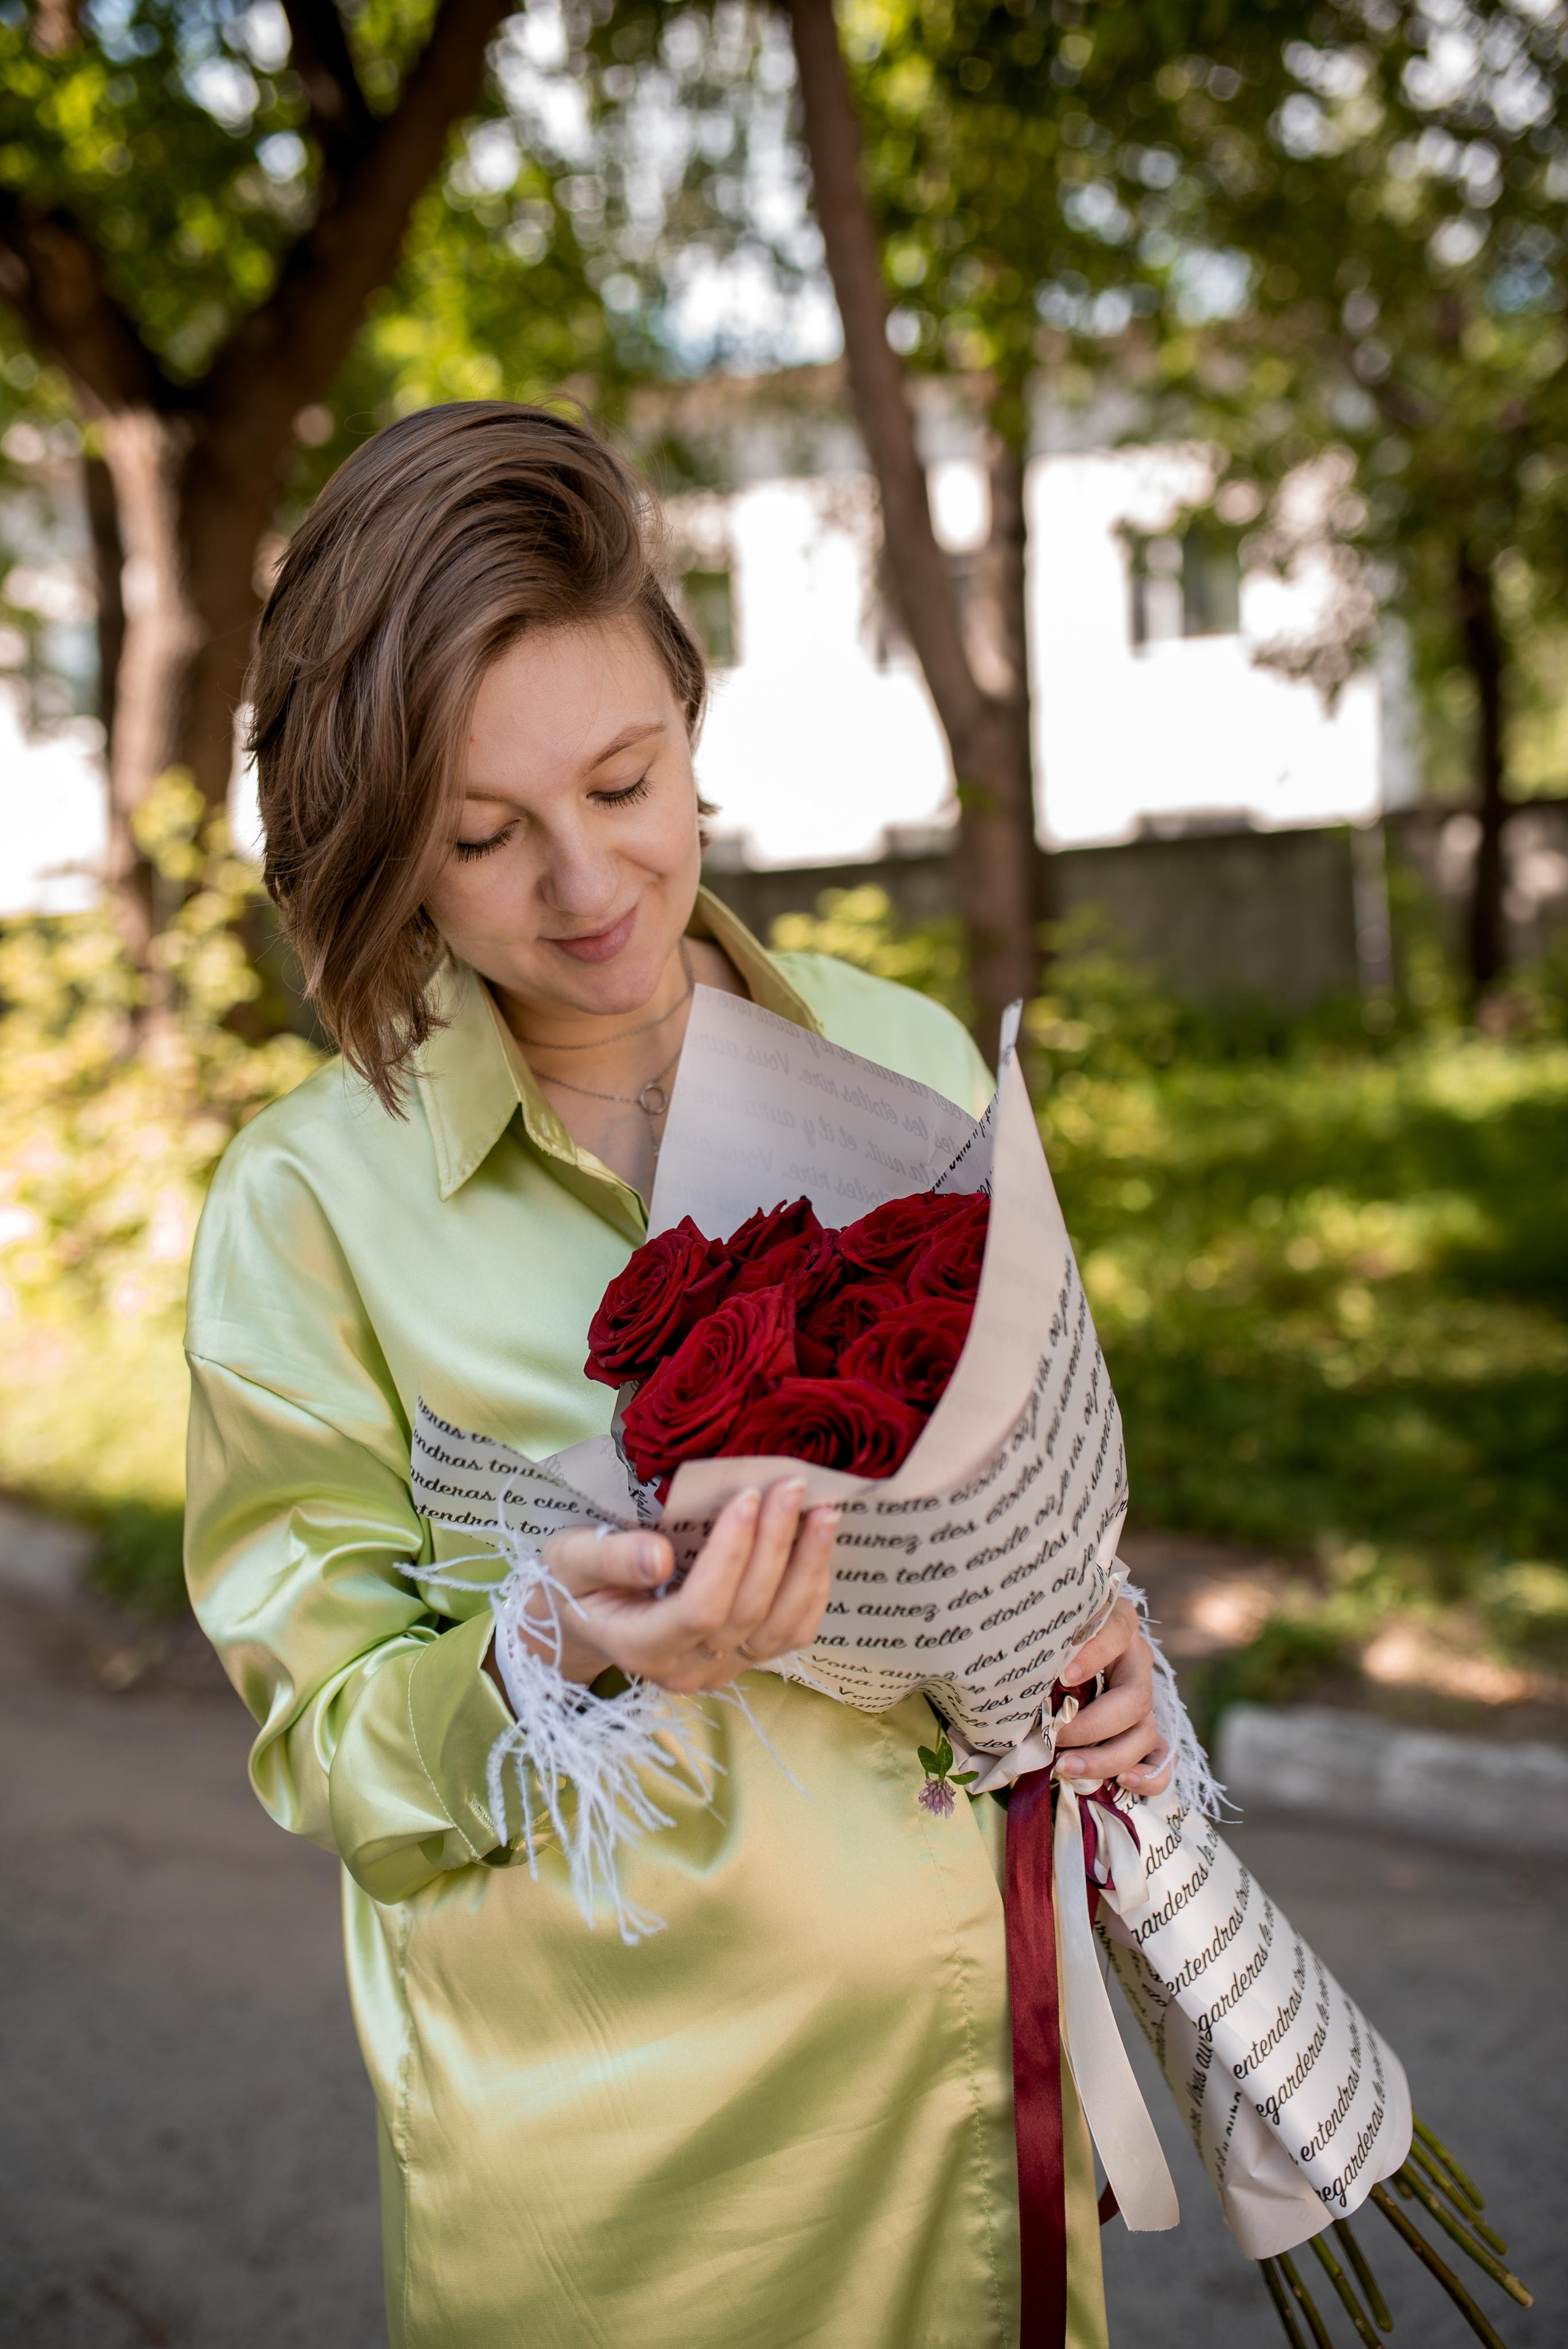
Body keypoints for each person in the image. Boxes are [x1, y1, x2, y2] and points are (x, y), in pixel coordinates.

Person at [184, 400, 1173, 2349]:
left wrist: (1105, 1661)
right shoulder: (307, 1202)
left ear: (688, 713)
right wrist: (547, 1658)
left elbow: (1024, 1485)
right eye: (481, 837)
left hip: (963, 2112)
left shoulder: (902, 1052)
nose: (584, 884)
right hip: (598, 2195)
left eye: (627, 783)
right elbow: (326, 1738)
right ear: (385, 849)